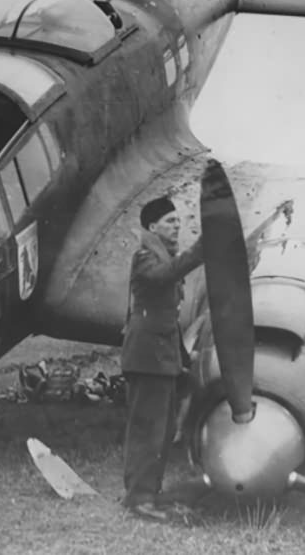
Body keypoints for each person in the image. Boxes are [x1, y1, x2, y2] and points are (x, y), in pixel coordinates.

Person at [121, 195, 203, 521]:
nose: (177, 226)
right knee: (148, 430)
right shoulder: (145, 257)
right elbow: (164, 275)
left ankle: (148, 493)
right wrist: (202, 248)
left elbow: (168, 318)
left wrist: (184, 356)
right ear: (152, 226)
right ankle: (139, 498)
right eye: (170, 221)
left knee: (164, 430)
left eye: (178, 221)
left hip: (161, 357)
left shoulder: (162, 258)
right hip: (147, 358)